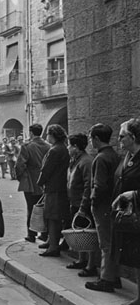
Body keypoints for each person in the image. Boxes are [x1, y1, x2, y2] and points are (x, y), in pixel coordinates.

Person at [84, 123, 120, 292]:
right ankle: (114, 275)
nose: (91, 142)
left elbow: (99, 185)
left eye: (91, 138)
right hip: (113, 203)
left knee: (105, 243)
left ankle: (106, 278)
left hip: (102, 205)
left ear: (96, 139)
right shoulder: (115, 155)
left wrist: (93, 202)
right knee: (112, 242)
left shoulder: (100, 158)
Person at [111, 118, 140, 302]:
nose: (119, 140)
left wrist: (134, 194)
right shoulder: (128, 156)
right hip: (130, 216)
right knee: (136, 259)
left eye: (122, 136)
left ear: (133, 137)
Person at [37, 124, 70, 257]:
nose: (46, 137)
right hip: (60, 186)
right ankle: (52, 241)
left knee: (52, 217)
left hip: (53, 188)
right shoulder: (63, 148)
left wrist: (40, 182)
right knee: (57, 216)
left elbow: (46, 170)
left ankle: (53, 246)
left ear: (53, 135)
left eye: (48, 135)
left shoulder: (55, 150)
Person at [66, 133, 97, 276]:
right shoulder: (76, 160)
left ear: (76, 147)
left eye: (70, 145)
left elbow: (88, 186)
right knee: (80, 232)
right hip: (75, 202)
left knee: (88, 233)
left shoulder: (86, 162)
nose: (68, 148)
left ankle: (91, 265)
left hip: (82, 204)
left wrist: (84, 206)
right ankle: (81, 259)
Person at [15, 124, 50, 243]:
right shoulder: (48, 146)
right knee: (44, 207)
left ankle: (31, 234)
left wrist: (21, 178)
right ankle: (45, 233)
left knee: (31, 207)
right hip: (45, 181)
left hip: (31, 181)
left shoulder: (27, 146)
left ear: (31, 133)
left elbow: (19, 165)